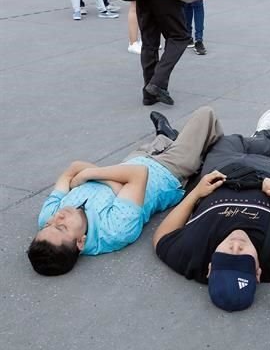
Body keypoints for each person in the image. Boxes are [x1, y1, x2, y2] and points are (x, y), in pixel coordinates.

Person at [153, 109, 270, 310]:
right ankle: (269, 140)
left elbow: (161, 237)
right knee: (255, 150)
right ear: (259, 272)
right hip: (265, 174)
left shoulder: (193, 254)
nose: (236, 246)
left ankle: (265, 138)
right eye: (244, 257)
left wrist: (196, 193)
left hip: (219, 172)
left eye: (226, 254)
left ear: (209, 268)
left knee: (228, 141)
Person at [27, 106, 232, 276]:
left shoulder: (48, 218)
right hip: (167, 171)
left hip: (130, 162)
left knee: (155, 146)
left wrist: (112, 183)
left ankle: (167, 137)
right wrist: (87, 175)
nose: (58, 217)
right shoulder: (115, 230)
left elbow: (72, 168)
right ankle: (210, 156)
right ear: (81, 242)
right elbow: (139, 174)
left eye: (49, 224)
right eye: (62, 227)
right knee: (206, 115)